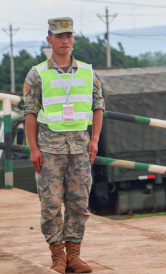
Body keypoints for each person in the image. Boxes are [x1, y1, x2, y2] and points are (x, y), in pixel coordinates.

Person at [23, 17, 105, 274]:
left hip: (80, 149)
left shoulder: (88, 73)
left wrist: (95, 139)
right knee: (50, 204)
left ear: (73, 39)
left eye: (69, 35)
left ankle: (74, 256)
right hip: (49, 150)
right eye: (59, 36)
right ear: (49, 40)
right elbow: (30, 113)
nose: (65, 40)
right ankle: (57, 256)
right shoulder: (37, 74)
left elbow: (98, 106)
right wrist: (33, 149)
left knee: (79, 204)